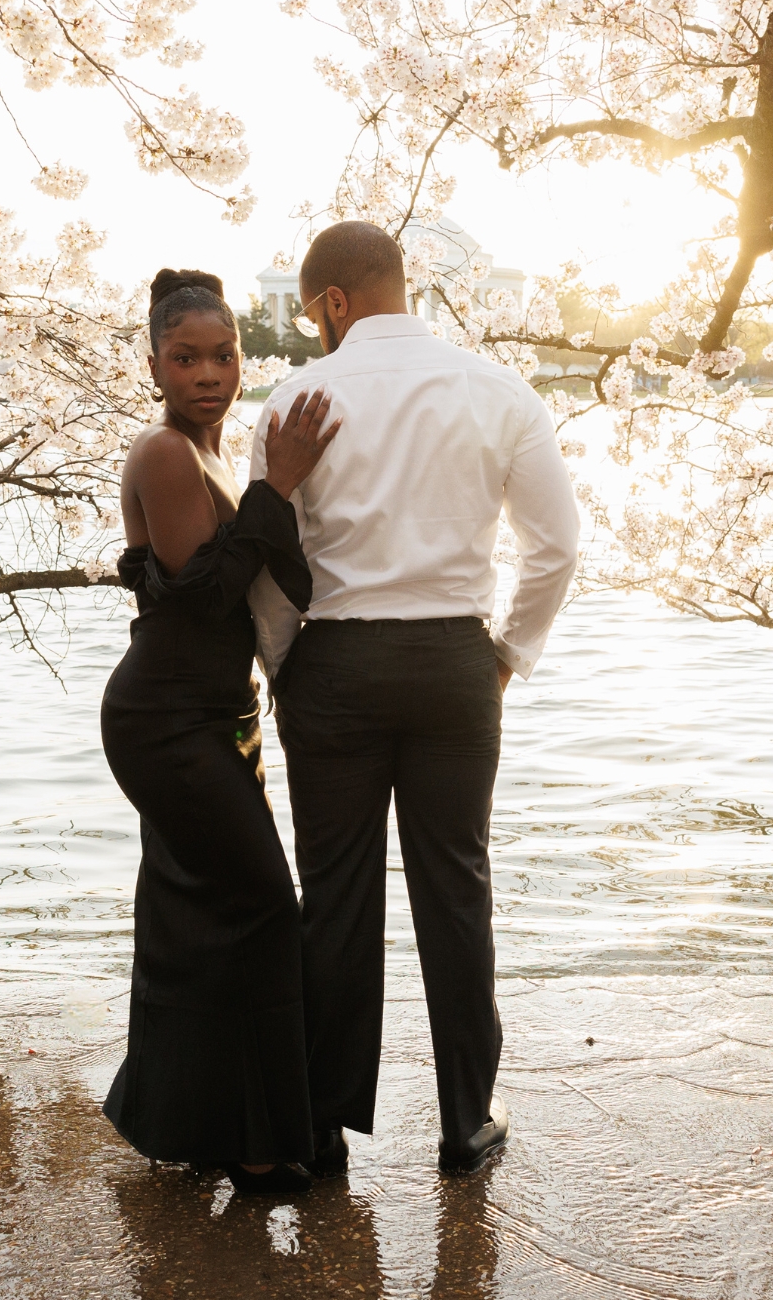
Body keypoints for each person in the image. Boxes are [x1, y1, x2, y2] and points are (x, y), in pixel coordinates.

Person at [249, 221, 580, 1177]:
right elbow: (556, 546)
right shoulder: (497, 390)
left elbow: (273, 563)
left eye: (314, 312)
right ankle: (465, 1120)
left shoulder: (297, 397)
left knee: (336, 902)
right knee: (456, 892)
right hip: (452, 668)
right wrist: (506, 656)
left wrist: (285, 667)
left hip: (337, 666)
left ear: (335, 302)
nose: (314, 331)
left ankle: (322, 1128)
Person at [100, 267, 341, 1197]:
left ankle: (185, 1124)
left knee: (190, 917)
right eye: (186, 357)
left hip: (217, 717)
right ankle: (253, 1142)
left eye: (225, 354)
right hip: (165, 722)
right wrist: (277, 486)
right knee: (261, 910)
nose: (209, 372)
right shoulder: (165, 452)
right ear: (155, 364)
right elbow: (202, 588)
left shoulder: (208, 450)